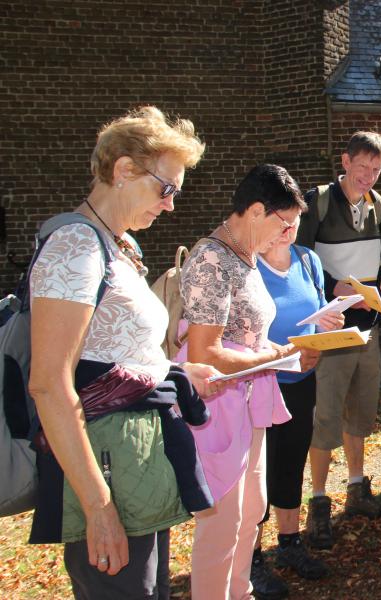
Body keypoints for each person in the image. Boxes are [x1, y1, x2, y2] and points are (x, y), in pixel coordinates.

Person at [27, 106, 221, 598]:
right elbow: (51, 383)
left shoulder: (118, 246)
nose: (172, 205)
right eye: (167, 188)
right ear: (124, 171)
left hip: (138, 461)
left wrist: (173, 371)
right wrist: (98, 507)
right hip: (107, 466)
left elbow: (116, 351)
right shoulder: (76, 246)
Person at [180, 164, 309, 600]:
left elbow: (246, 333)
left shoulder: (245, 255)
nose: (288, 233)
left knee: (252, 507)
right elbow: (205, 354)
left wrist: (285, 352)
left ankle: (240, 591)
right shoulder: (213, 257)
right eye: (284, 222)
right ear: (256, 210)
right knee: (224, 519)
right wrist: (274, 355)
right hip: (218, 402)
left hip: (249, 396)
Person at [297, 131, 381, 550]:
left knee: (361, 411)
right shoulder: (318, 200)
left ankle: (356, 489)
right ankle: (318, 502)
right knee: (326, 416)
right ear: (345, 161)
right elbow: (297, 256)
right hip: (332, 328)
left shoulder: (378, 205)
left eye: (376, 170)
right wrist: (330, 284)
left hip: (369, 327)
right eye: (362, 167)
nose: (368, 176)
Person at [248, 206, 345, 597]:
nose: (289, 229)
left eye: (295, 221)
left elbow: (318, 313)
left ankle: (289, 544)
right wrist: (285, 351)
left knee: (290, 463)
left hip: (301, 381)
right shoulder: (246, 266)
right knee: (256, 474)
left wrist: (326, 331)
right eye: (281, 220)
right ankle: (251, 560)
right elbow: (240, 331)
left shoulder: (308, 259)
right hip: (259, 384)